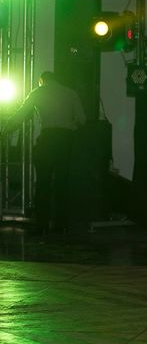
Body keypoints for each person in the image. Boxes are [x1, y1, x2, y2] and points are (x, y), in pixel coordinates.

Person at [2, 71, 86, 233]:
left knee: (43, 182)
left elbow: (21, 114)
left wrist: (6, 129)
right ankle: (61, 225)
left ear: (42, 81)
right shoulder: (70, 93)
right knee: (62, 182)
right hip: (65, 140)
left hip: (48, 139)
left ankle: (42, 225)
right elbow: (82, 119)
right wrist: (71, 127)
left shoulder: (38, 92)